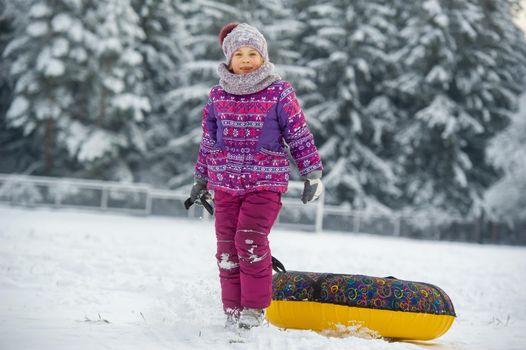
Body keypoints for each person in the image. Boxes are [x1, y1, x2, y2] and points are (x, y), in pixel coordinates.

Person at [189, 22, 324, 330]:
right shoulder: (217, 95)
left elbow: (298, 134)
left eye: (253, 53)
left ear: (263, 57)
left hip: (264, 182)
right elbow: (208, 141)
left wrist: (311, 172)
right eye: (239, 54)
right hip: (224, 183)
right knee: (226, 247)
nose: (247, 59)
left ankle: (253, 309)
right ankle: (232, 311)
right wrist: (200, 179)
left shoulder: (279, 92)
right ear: (228, 58)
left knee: (248, 238)